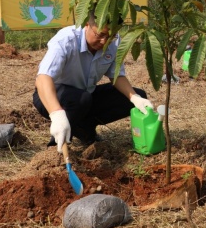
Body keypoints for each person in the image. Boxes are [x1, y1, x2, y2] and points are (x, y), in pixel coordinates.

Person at [33, 12, 154, 151]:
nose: (104, 42)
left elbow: (117, 76)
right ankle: (55, 148)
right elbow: (43, 79)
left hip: (85, 96)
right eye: (100, 35)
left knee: (135, 96)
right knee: (80, 99)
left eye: (110, 37)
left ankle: (84, 128)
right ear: (87, 25)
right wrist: (56, 114)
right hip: (52, 96)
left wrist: (135, 98)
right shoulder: (66, 39)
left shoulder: (114, 42)